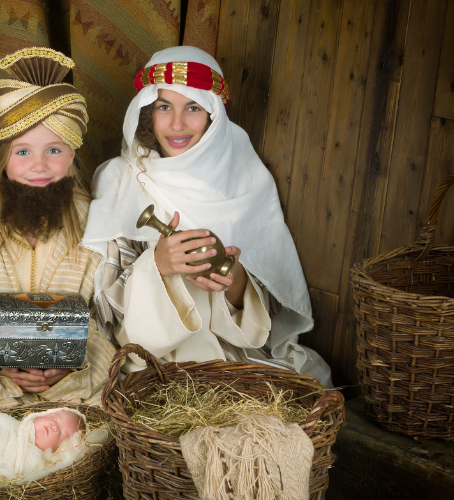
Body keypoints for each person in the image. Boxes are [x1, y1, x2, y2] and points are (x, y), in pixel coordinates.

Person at [82, 46, 332, 387]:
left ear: (213, 116)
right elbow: (105, 311)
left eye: (193, 108)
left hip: (233, 357)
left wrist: (235, 283)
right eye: (164, 107)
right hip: (153, 361)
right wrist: (158, 266)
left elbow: (271, 316)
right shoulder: (120, 178)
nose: (177, 124)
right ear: (147, 113)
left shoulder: (246, 178)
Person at [0, 47, 116, 411]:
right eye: (22, 152)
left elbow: (102, 313)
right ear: (0, 156)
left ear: (73, 154)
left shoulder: (97, 224)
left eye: (54, 151)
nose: (39, 166)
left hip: (77, 385)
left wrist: (71, 365)